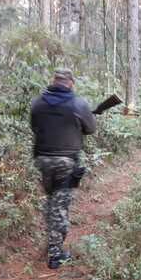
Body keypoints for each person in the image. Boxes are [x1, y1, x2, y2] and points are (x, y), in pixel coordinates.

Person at [30, 68, 96, 269]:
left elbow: (34, 126)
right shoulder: (78, 103)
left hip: (42, 159)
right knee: (59, 206)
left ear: (54, 80)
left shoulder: (37, 103)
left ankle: (51, 241)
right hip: (65, 162)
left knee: (51, 200)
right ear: (71, 83)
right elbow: (91, 129)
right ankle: (55, 255)